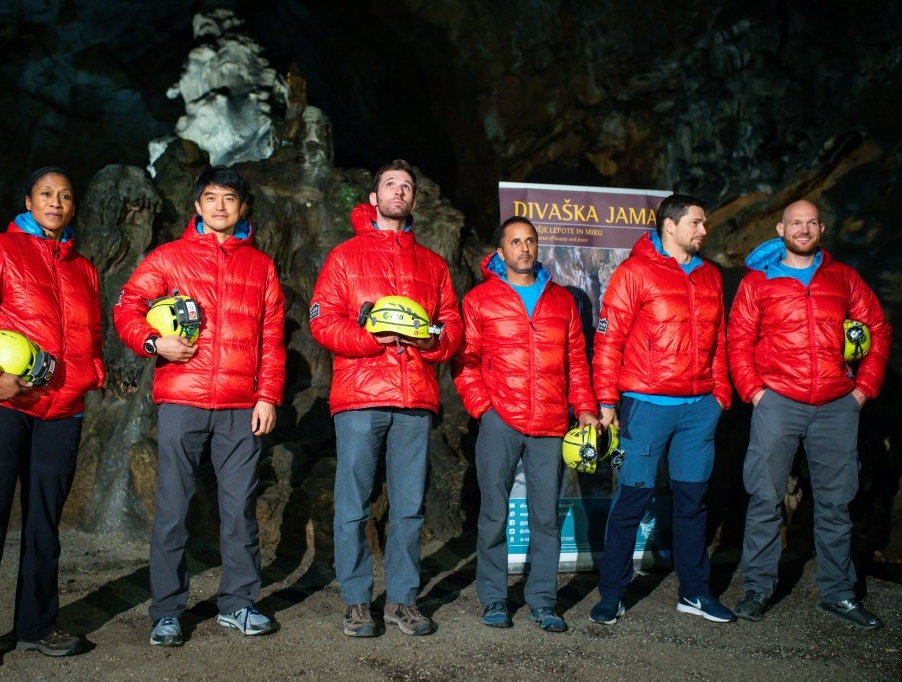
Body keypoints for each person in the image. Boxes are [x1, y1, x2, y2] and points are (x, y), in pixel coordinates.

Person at [0, 167, 104, 674]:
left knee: (45, 527)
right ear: (27, 200)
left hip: (62, 412)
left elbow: (86, 336)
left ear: (74, 208)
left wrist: (92, 375)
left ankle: (37, 624)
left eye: (65, 196)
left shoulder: (83, 268)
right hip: (1, 407)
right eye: (46, 194)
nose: (56, 202)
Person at [113, 166, 285, 645]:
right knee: (172, 509)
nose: (220, 207)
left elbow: (272, 339)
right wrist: (153, 343)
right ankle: (167, 611)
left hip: (240, 405)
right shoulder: (169, 258)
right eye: (211, 198)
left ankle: (240, 604)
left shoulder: (261, 266)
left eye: (230, 199)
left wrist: (268, 395)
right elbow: (126, 306)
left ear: (243, 207)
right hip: (182, 399)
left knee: (239, 510)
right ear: (197, 205)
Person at [310, 159, 461, 637]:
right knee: (353, 504)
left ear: (413, 200)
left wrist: (430, 341)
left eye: (407, 186)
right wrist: (372, 338)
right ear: (373, 198)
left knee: (410, 507)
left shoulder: (433, 264)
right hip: (358, 394)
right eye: (391, 185)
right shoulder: (345, 257)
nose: (400, 191)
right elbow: (322, 319)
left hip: (415, 395)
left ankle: (402, 600)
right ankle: (357, 601)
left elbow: (451, 326)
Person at [728, 199, 891, 629]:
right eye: (795, 223)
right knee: (765, 496)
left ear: (821, 228)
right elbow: (738, 339)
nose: (803, 229)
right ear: (780, 230)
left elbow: (876, 326)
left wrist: (863, 390)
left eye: (811, 223)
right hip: (778, 400)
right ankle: (758, 589)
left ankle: (837, 593)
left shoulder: (843, 277)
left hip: (837, 404)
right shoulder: (758, 281)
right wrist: (754, 391)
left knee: (837, 502)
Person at [590, 193, 734, 625]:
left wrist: (719, 395)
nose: (704, 231)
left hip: (698, 410)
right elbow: (608, 339)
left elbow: (720, 340)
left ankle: (694, 592)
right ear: (670, 226)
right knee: (632, 500)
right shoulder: (635, 272)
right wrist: (606, 401)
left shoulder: (710, 276)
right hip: (646, 406)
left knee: (691, 503)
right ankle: (612, 593)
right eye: (697, 222)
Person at [452, 216, 598, 632]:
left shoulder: (562, 302)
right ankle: (495, 599)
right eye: (515, 242)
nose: (524, 248)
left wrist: (584, 408)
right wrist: (485, 408)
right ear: (500, 253)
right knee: (494, 514)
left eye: (530, 241)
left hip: (551, 421)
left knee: (546, 518)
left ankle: (542, 600)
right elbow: (466, 363)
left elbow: (576, 363)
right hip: (501, 418)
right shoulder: (480, 300)